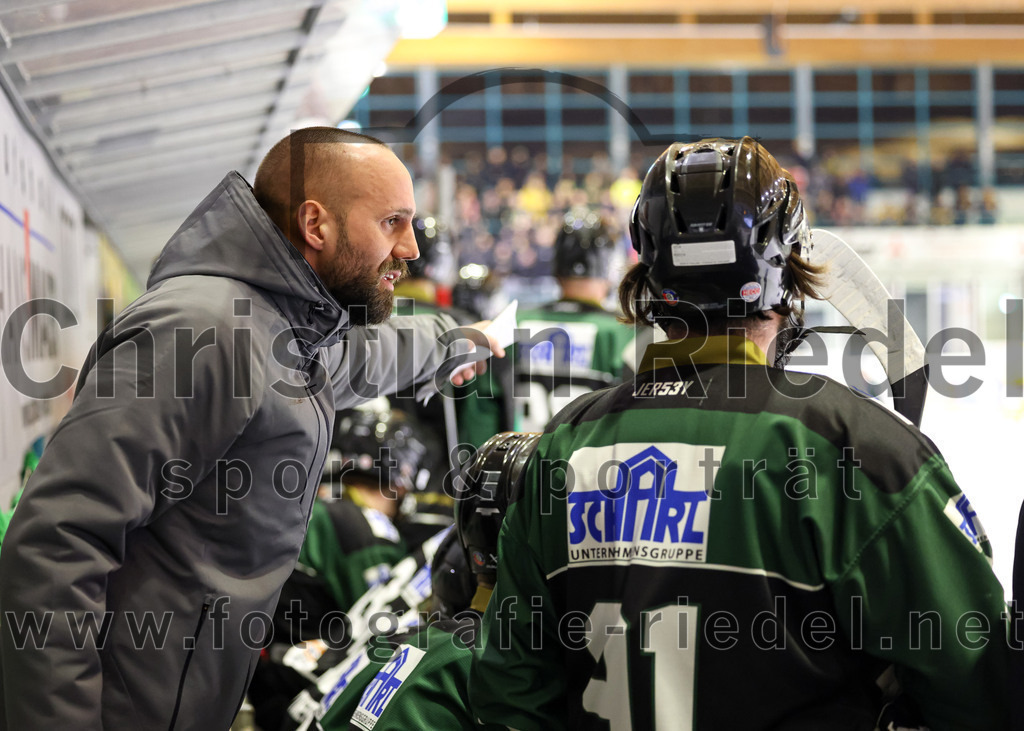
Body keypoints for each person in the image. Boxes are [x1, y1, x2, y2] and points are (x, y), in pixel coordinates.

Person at [470, 137, 1010, 729]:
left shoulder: (561, 446)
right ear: (787, 280)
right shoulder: (859, 447)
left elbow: (510, 696)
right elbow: (982, 686)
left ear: (650, 276)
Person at [0, 126, 500, 730]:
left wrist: (456, 341)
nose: (412, 248)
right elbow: (57, 543)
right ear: (316, 225)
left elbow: (366, 355)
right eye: (392, 221)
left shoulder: (283, 329)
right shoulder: (205, 331)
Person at [458, 210, 635, 447]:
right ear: (611, 265)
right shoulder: (624, 333)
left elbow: (480, 420)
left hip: (519, 465)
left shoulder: (510, 324)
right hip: (595, 468)